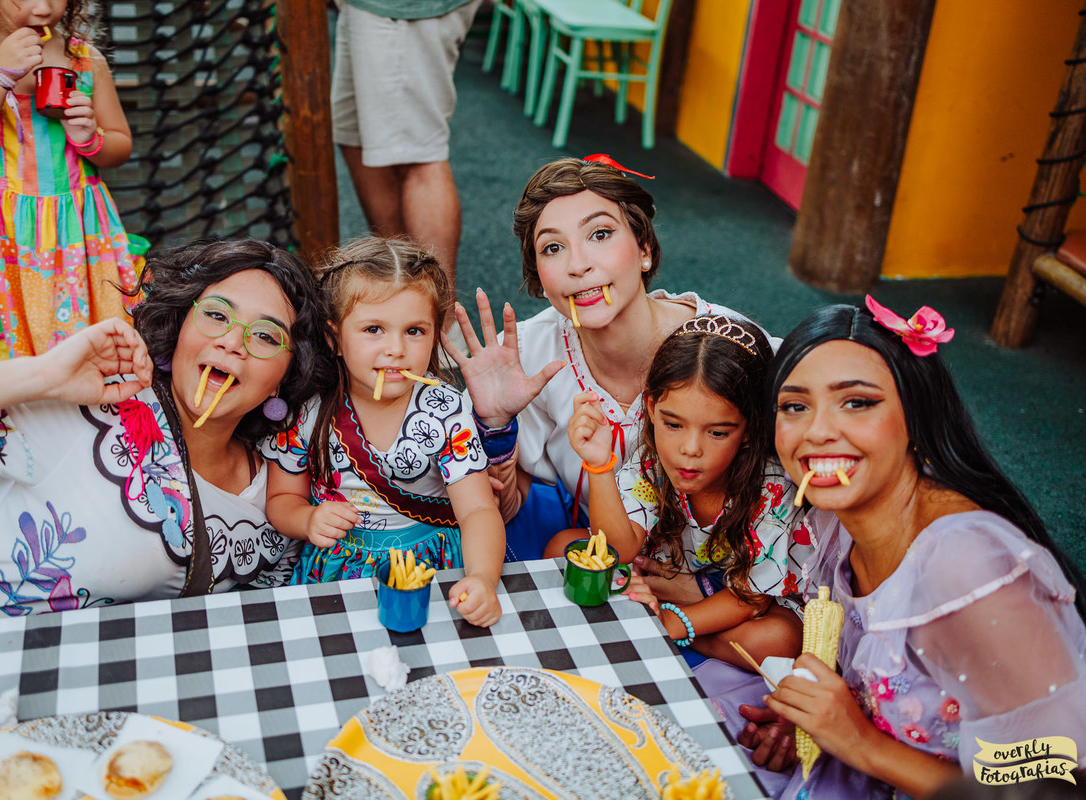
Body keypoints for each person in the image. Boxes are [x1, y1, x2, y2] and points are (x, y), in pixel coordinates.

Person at [712, 298, 1086, 798]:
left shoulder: (967, 571)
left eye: (857, 402)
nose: (818, 432)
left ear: (916, 414)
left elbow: (1054, 790)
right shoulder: (840, 517)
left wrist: (858, 739)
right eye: (794, 406)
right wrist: (817, 717)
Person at [0, 239, 334, 623]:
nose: (233, 342)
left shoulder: (277, 490)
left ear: (283, 376)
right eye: (216, 315)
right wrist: (42, 375)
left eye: (264, 335)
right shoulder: (95, 413)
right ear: (182, 327)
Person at [442, 155, 771, 560]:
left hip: (736, 569)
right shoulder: (528, 356)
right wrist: (494, 428)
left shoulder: (730, 344)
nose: (578, 265)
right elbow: (508, 511)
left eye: (600, 234)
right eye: (553, 247)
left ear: (644, 248)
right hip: (606, 558)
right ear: (540, 278)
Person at [263, 238, 505, 627]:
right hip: (337, 564)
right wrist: (307, 519)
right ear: (333, 338)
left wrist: (481, 577)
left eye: (414, 331)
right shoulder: (306, 411)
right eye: (374, 329)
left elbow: (477, 509)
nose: (395, 348)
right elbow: (281, 498)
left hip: (432, 564)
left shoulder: (445, 410)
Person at [566, 314, 810, 666]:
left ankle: (683, 637)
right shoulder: (653, 462)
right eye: (673, 424)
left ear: (750, 429)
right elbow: (616, 549)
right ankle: (666, 620)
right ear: (651, 407)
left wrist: (673, 623)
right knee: (563, 548)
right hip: (667, 575)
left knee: (778, 640)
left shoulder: (771, 488)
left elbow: (751, 598)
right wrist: (599, 466)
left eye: (717, 432)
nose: (689, 449)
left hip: (745, 601)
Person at [0, 0, 142, 362]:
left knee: (101, 335)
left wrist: (90, 136)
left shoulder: (84, 57)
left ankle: (101, 412)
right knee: (6, 342)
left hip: (82, 223)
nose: (43, 7)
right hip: (5, 231)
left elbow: (120, 145)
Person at [331, 0, 482, 312]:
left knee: (417, 156)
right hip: (365, 7)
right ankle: (398, 282)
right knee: (354, 136)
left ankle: (440, 321)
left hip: (405, 8)